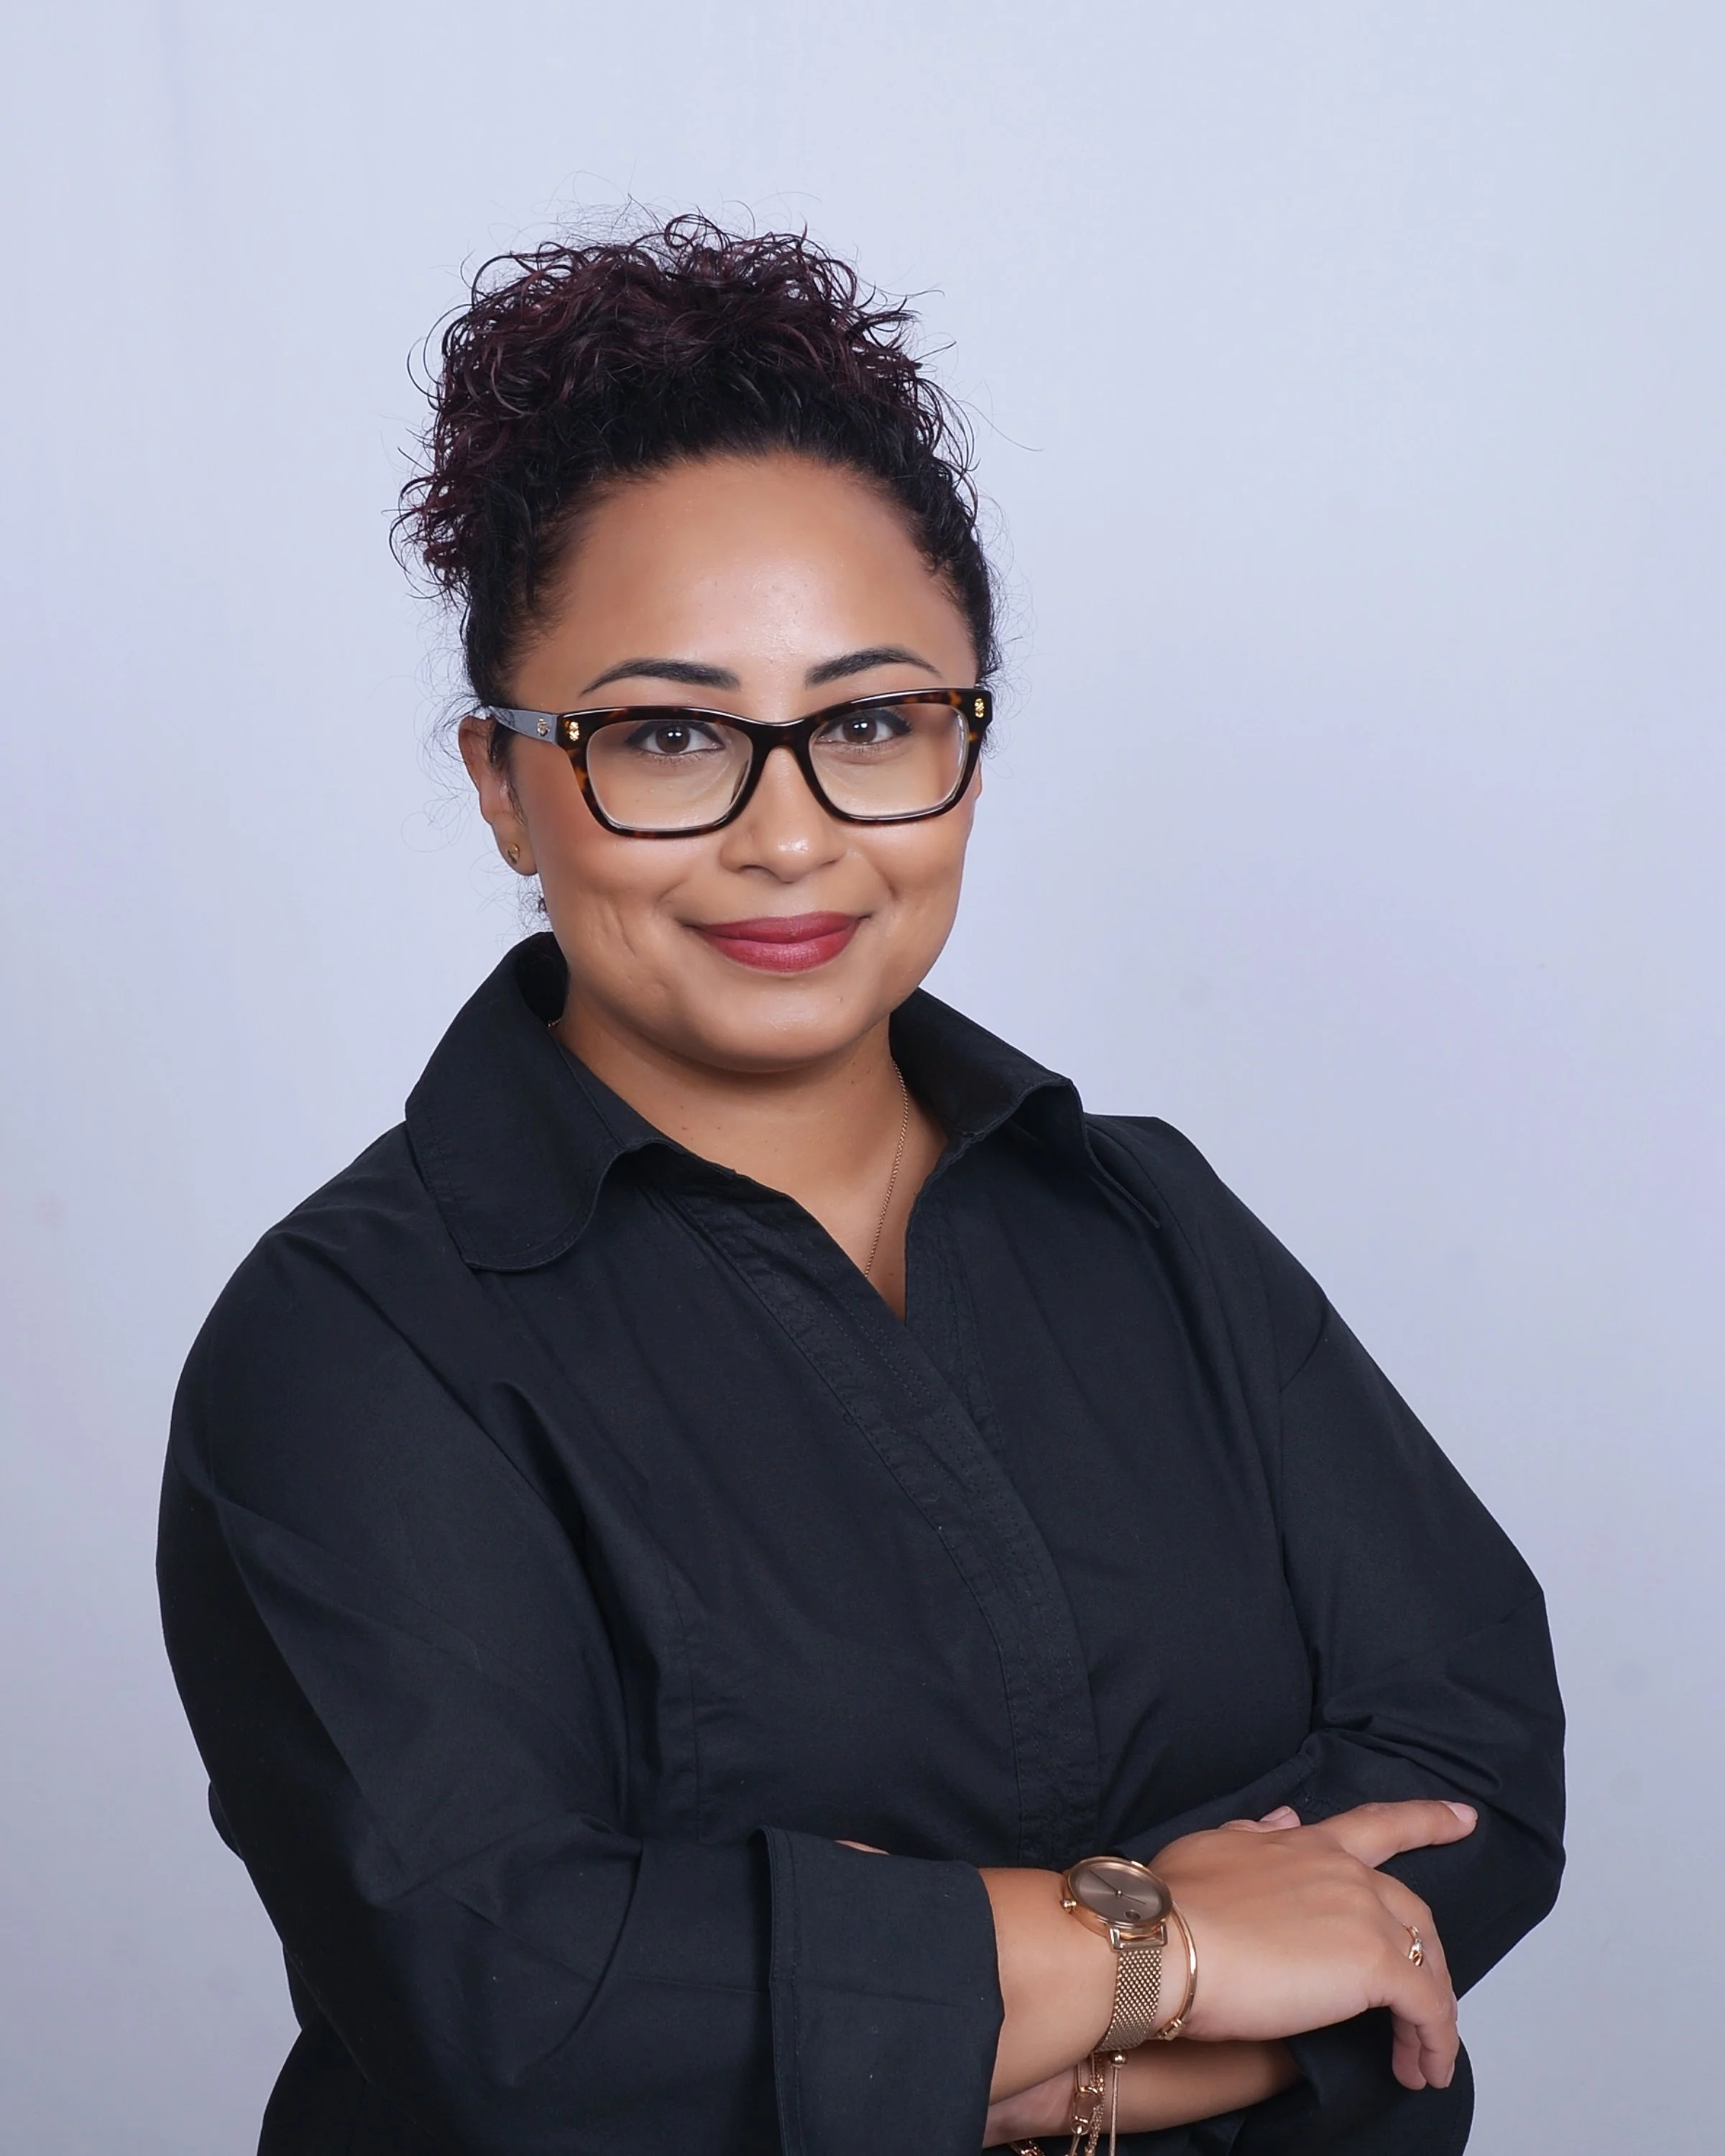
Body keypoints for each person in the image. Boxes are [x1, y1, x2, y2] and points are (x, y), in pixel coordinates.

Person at [157, 218, 1564, 2156]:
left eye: (873, 723)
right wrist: (1166, 1950)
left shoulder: (1150, 1223)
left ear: (968, 754)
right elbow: (524, 2000)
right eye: (666, 737)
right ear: (501, 782)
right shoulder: (352, 1342)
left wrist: (917, 2019)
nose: (791, 835)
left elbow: (1469, 1765)